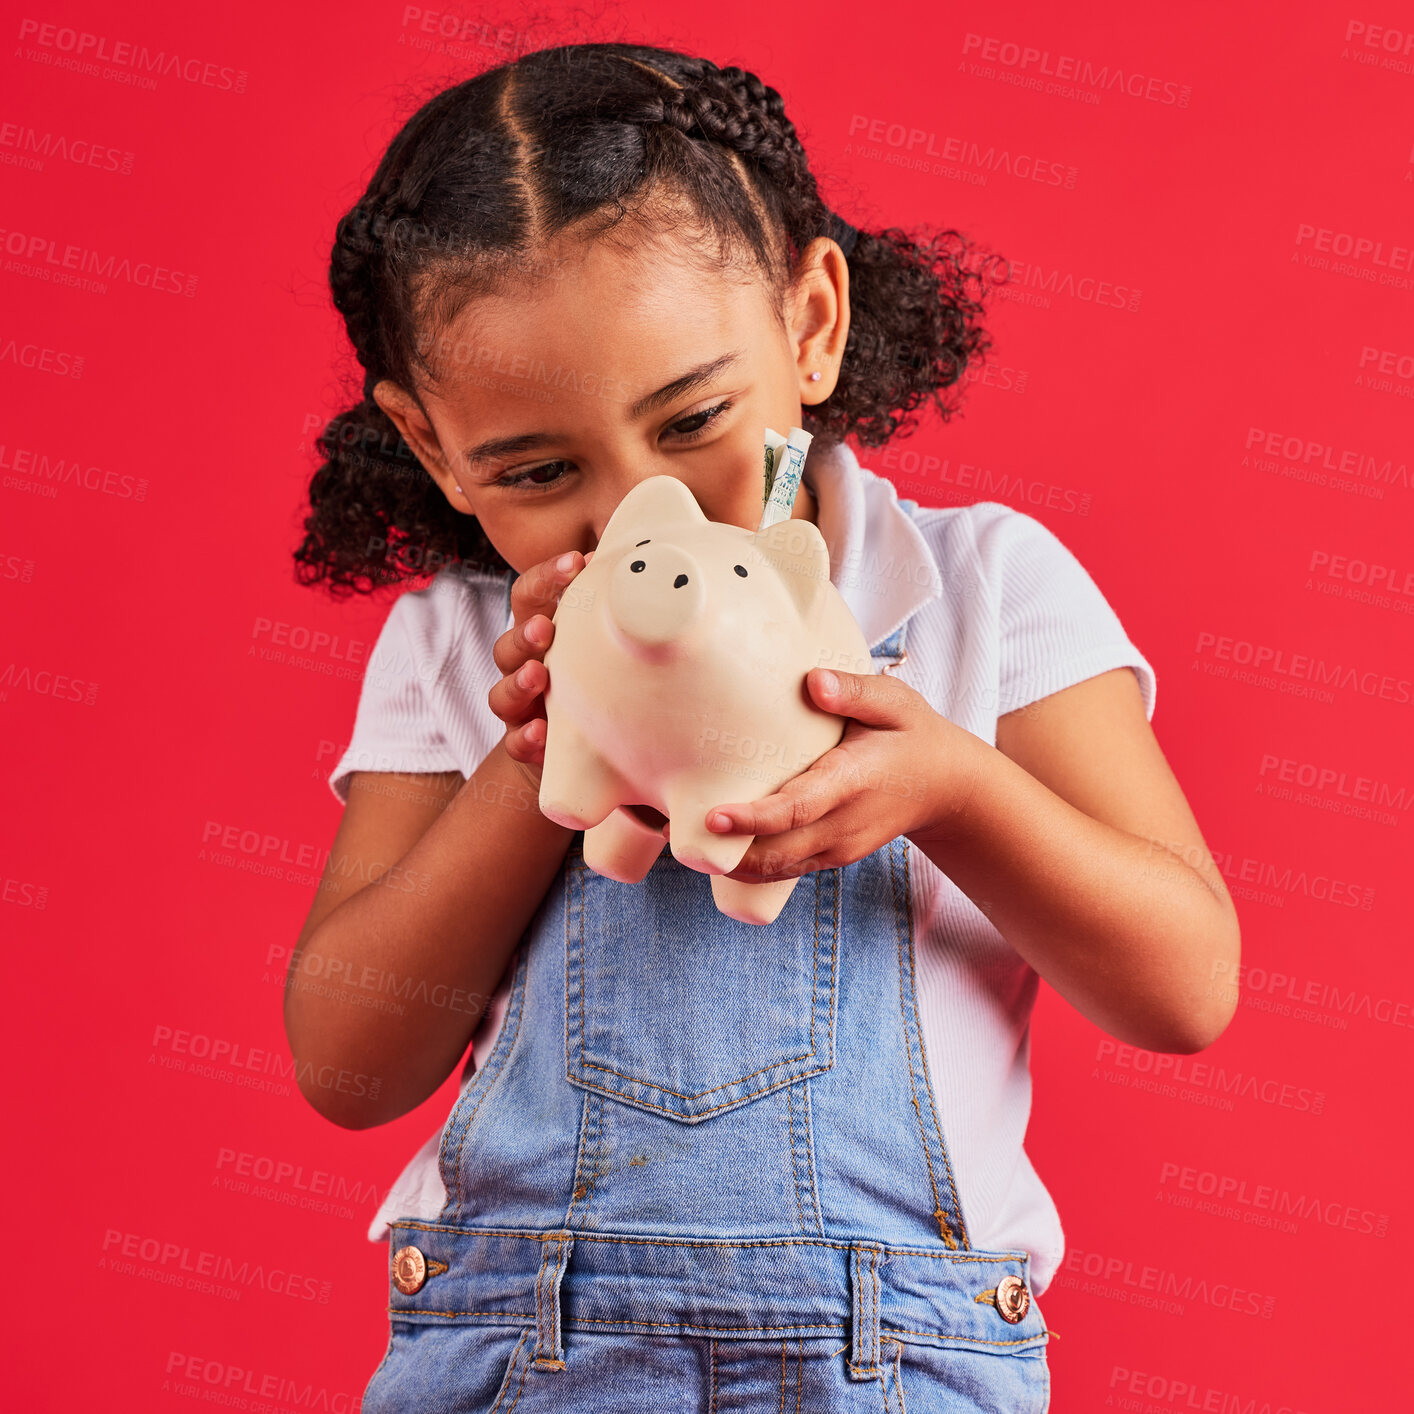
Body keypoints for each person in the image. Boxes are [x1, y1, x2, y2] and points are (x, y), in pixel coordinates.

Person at [285, 40, 1240, 1414]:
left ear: (808, 323)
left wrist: (950, 791)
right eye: (539, 470)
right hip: (527, 1349)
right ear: (436, 448)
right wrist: (537, 757)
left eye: (691, 418)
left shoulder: (978, 587)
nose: (633, 515)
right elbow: (347, 1059)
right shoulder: (454, 639)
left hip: (893, 1354)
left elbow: (1183, 982)